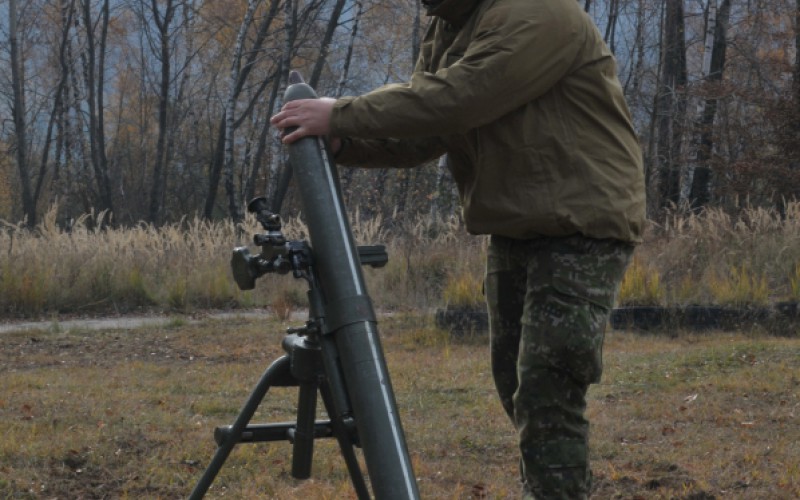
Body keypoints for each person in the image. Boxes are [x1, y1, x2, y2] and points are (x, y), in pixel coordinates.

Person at [271, 0, 646, 497]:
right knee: (515, 384)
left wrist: (341, 113)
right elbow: (431, 128)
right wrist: (344, 144)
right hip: (516, 227)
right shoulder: (451, 23)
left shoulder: (537, 11)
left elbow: (460, 98)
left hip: (580, 226)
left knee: (546, 386)